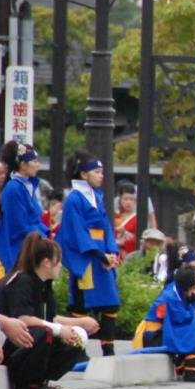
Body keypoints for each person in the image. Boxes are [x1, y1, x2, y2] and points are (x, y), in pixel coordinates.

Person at [0, 233, 95, 389]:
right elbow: (24, 319)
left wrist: (77, 324)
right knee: (45, 333)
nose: (61, 266)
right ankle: (28, 384)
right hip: (4, 338)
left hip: (23, 338)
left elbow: (49, 318)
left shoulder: (44, 285)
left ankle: (42, 380)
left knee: (77, 339)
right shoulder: (21, 280)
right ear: (46, 262)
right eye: (58, 261)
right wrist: (59, 330)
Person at [57, 150, 121, 357]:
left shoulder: (97, 197)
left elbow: (106, 227)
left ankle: (108, 348)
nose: (102, 175)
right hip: (87, 257)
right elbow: (76, 232)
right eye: (97, 172)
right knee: (81, 304)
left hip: (102, 255)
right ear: (84, 175)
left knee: (111, 303)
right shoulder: (74, 199)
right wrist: (100, 255)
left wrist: (112, 252)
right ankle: (78, 349)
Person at [0, 141, 49, 271]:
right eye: (35, 161)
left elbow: (35, 220)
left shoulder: (24, 186)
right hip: (20, 250)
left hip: (31, 245)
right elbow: (20, 225)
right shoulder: (13, 188)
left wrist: (45, 235)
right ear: (23, 165)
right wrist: (43, 239)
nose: (38, 165)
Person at [112, 181, 141, 258]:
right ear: (120, 199)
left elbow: (139, 239)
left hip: (129, 254)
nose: (128, 202)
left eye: (131, 199)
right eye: (125, 199)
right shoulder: (114, 216)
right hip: (114, 254)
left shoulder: (138, 218)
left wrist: (124, 237)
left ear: (135, 201)